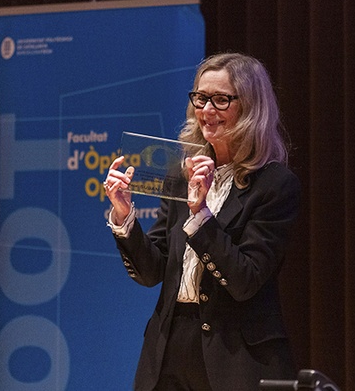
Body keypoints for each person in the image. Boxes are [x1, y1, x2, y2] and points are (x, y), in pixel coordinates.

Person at [103, 53, 300, 391]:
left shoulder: (274, 184)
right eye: (200, 97)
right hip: (170, 346)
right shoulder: (182, 174)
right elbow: (152, 273)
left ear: (251, 108)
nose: (207, 110)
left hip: (235, 355)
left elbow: (245, 280)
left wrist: (202, 216)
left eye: (221, 99)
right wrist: (124, 218)